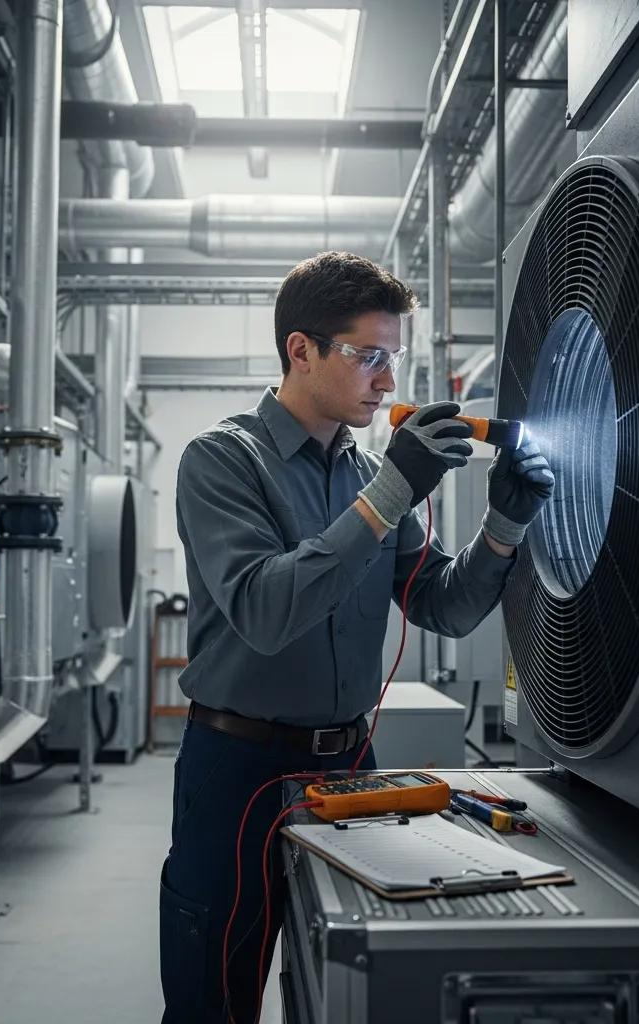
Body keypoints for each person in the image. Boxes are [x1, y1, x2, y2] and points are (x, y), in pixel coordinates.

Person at [159, 251, 554, 1023]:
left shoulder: (369, 473)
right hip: (238, 766)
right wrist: (392, 489)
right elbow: (267, 611)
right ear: (300, 350)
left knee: (332, 971)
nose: (386, 380)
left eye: (392, 359)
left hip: (349, 765)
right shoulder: (221, 460)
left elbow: (443, 604)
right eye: (368, 356)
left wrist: (503, 522)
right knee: (217, 986)